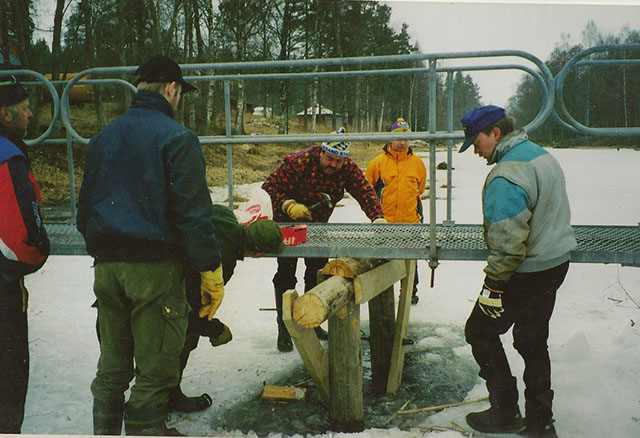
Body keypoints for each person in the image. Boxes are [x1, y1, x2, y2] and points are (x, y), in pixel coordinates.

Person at [77, 55, 224, 436]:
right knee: (156, 367)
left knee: (112, 366)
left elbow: (84, 210)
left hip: (107, 269)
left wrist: (106, 251)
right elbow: (193, 215)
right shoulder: (177, 138)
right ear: (172, 89)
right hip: (154, 270)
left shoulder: (102, 138)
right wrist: (210, 269)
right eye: (180, 94)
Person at [459, 105, 576, 437]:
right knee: (532, 340)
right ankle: (540, 422)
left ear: (495, 133)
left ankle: (504, 411)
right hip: (554, 263)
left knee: (479, 331)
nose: (476, 151)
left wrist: (493, 285)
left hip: (526, 271)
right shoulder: (540, 155)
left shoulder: (506, 174)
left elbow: (508, 245)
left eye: (477, 142)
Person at [262, 127, 386, 352]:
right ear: (321, 152)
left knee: (317, 271)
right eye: (330, 159)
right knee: (286, 274)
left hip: (318, 225)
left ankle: (312, 321)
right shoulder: (299, 163)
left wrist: (377, 217)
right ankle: (285, 328)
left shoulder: (347, 168)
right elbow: (268, 188)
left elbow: (364, 191)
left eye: (339, 161)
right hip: (288, 224)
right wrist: (288, 205)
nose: (333, 165)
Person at [170, 204, 284, 412]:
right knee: (181, 336)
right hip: (164, 281)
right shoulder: (224, 260)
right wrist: (215, 329)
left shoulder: (224, 214)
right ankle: (167, 397)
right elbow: (191, 311)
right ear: (257, 254)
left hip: (147, 256)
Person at [0, 75, 50, 433]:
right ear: (5, 113)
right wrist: (40, 251)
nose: (30, 114)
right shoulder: (8, 157)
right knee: (9, 381)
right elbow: (22, 241)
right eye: (25, 108)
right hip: (3, 290)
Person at [365, 117, 426, 304]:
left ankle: (410, 291)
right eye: (399, 138)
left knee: (411, 260)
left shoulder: (418, 163)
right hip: (385, 223)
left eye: (406, 138)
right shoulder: (377, 163)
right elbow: (367, 190)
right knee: (383, 259)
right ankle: (383, 294)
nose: (402, 142)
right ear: (390, 139)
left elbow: (420, 189)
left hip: (411, 222)